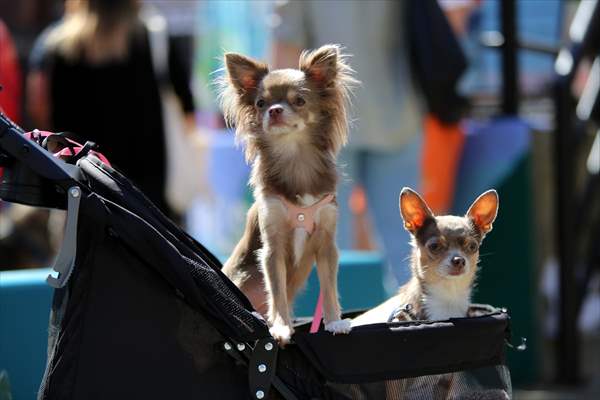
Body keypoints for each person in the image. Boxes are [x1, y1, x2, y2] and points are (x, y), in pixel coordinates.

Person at [271, 1, 424, 287]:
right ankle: (417, 326)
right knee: (407, 242)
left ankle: (334, 327)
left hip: (323, 127)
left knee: (327, 243)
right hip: (399, 109)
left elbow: (287, 45)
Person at [28, 0, 195, 217]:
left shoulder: (58, 46)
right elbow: (187, 106)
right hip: (148, 189)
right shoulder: (152, 38)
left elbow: (47, 113)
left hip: (84, 182)